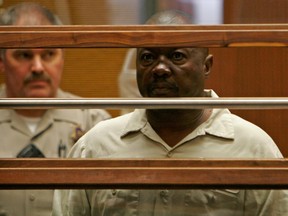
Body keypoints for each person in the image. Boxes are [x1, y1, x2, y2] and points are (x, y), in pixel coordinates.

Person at [52, 10, 288, 215]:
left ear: (206, 66)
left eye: (177, 56)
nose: (160, 69)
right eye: (147, 57)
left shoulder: (254, 148)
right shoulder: (95, 147)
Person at [0, 2, 110, 216]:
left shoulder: (93, 123)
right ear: (1, 60)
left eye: (49, 54)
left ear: (62, 56)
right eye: (24, 55)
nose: (38, 67)